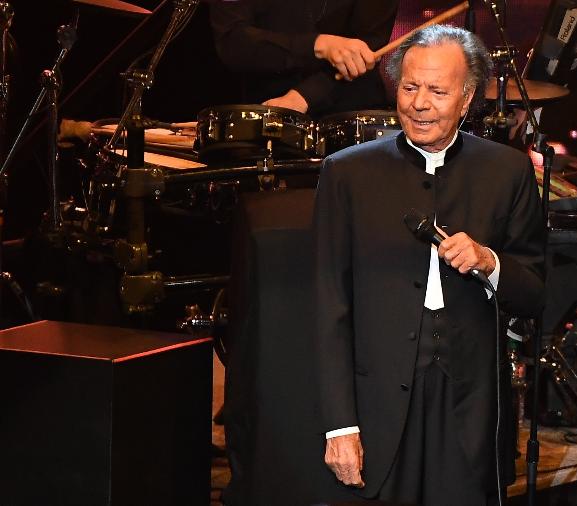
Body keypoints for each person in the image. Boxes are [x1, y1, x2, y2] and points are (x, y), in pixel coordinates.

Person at [313, 24, 545, 505]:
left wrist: (490, 262)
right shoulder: (346, 172)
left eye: (437, 92)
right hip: (377, 404)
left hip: (472, 404)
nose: (419, 104)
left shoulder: (507, 170)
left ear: (466, 99)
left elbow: (536, 292)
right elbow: (328, 305)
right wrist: (339, 424)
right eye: (409, 87)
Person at [209, 0, 399, 115]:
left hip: (348, 112)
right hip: (261, 110)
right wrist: (318, 44)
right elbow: (232, 41)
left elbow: (366, 51)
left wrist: (303, 96)